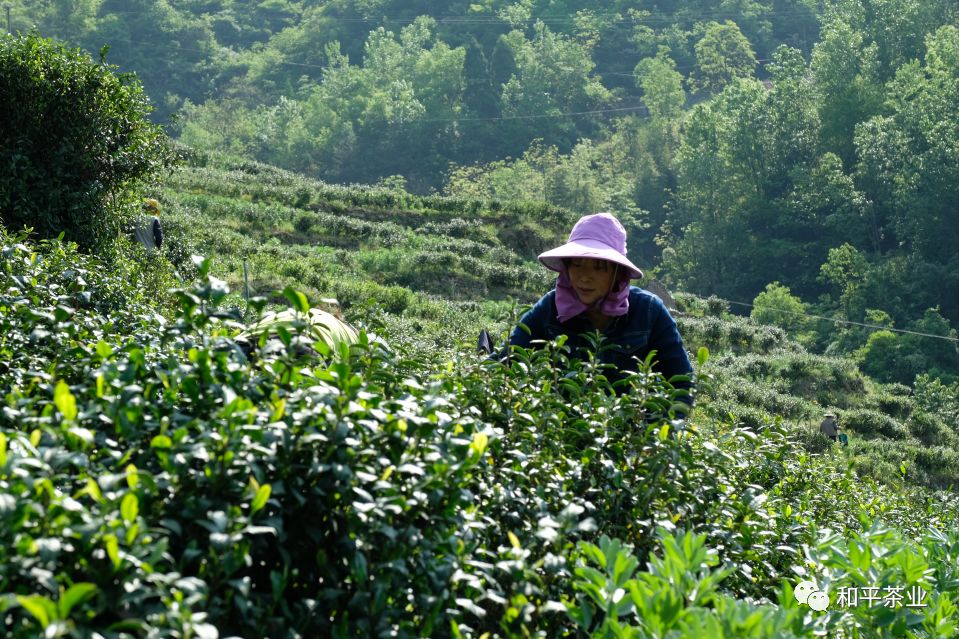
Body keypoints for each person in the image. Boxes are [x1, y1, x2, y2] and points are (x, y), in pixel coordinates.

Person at [504, 212, 694, 405]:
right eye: (577, 265)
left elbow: (682, 383)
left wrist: (659, 429)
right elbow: (506, 359)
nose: (584, 277)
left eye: (598, 267)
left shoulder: (648, 311)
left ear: (617, 272)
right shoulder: (551, 308)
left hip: (633, 430)